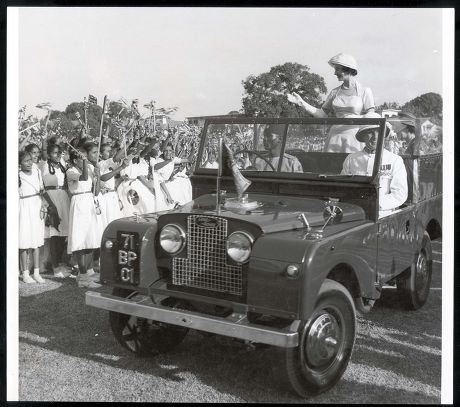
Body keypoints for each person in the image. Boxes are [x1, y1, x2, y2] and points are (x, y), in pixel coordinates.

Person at [287, 53, 376, 153]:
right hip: (335, 136)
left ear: (348, 69)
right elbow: (321, 114)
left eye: (337, 69)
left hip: (355, 138)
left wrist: (354, 118)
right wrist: (301, 103)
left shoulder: (365, 91)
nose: (335, 73)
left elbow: (372, 117)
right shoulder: (334, 92)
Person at [341, 123, 408, 217]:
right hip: (354, 214)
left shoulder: (394, 160)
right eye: (370, 132)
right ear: (363, 136)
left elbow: (399, 194)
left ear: (384, 135)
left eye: (379, 132)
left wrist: (374, 204)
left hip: (383, 215)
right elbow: (344, 188)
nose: (375, 137)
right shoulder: (351, 159)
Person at [66, 148, 103, 288]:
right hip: (79, 204)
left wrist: (98, 176)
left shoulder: (89, 168)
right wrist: (88, 165)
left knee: (90, 239)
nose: (85, 160)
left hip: (89, 202)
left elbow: (97, 191)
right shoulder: (71, 171)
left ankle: (86, 274)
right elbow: (84, 178)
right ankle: (82, 277)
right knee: (80, 240)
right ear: (75, 160)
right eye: (82, 158)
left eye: (86, 158)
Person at [40, 143, 71, 278]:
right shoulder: (44, 165)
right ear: (48, 154)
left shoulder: (62, 164)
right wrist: (50, 205)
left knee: (63, 233)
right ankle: (54, 266)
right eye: (54, 153)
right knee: (54, 234)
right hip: (51, 198)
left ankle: (59, 262)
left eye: (59, 153)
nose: (58, 155)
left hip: (63, 197)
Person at [19, 150, 46, 283]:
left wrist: (43, 204)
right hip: (24, 207)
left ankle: (36, 272)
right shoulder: (18, 175)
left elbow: (41, 190)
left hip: (37, 205)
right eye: (26, 161)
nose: (29, 163)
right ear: (19, 163)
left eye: (30, 160)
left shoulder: (37, 172)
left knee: (36, 239)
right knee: (24, 240)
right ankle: (25, 273)